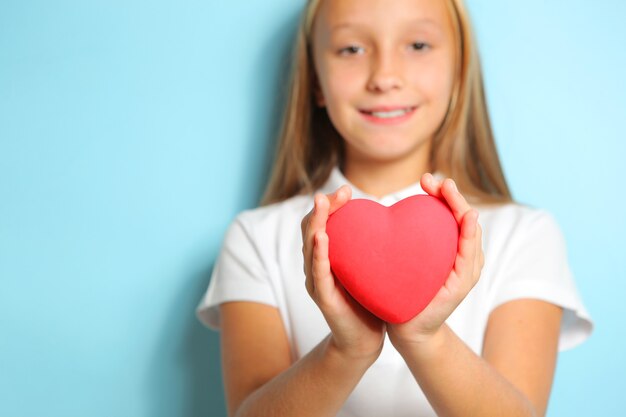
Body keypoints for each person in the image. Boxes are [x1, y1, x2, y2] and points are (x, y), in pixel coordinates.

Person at [196, 0, 593, 416]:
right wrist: (346, 350)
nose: (385, 77)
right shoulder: (256, 237)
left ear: (459, 71)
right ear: (315, 79)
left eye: (418, 45)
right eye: (351, 49)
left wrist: (425, 338)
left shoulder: (525, 235)